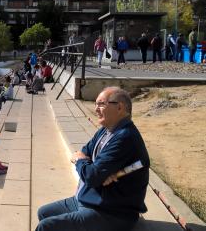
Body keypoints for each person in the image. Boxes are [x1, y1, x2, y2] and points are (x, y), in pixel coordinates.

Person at [36, 87, 150, 231]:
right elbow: (84, 151)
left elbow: (91, 175)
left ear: (120, 107)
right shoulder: (106, 129)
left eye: (101, 104)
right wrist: (96, 170)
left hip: (112, 212)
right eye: (96, 104)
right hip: (90, 198)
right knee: (43, 212)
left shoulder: (125, 137)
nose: (96, 109)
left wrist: (83, 163)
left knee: (46, 227)